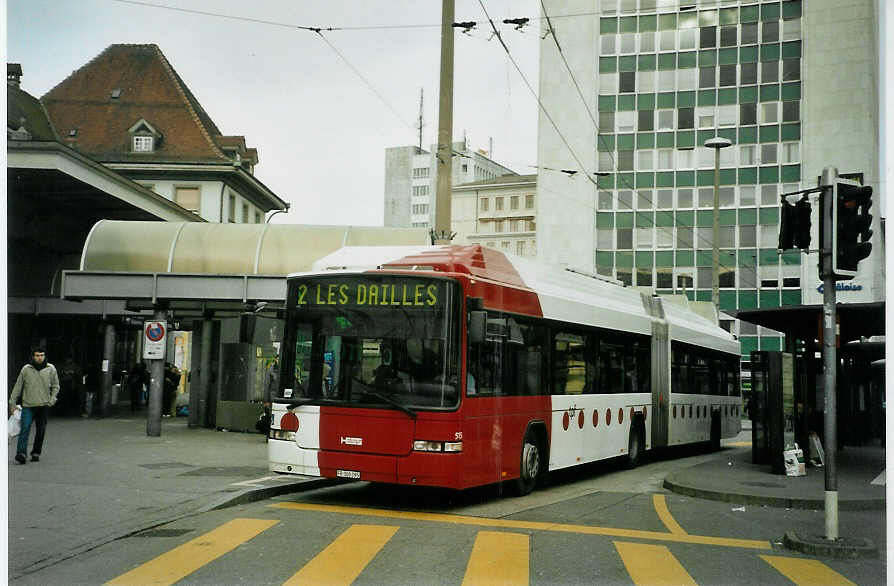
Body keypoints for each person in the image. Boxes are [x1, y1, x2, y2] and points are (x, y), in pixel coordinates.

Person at [9, 347, 60, 464]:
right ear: (33, 356)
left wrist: (52, 400)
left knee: (40, 430)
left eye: (41, 355)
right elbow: (18, 386)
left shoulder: (50, 368)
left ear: (45, 356)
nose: (39, 357)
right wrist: (12, 403)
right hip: (28, 405)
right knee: (25, 428)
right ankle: (21, 454)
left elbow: (56, 386)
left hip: (44, 405)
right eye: (37, 355)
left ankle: (36, 452)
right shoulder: (26, 369)